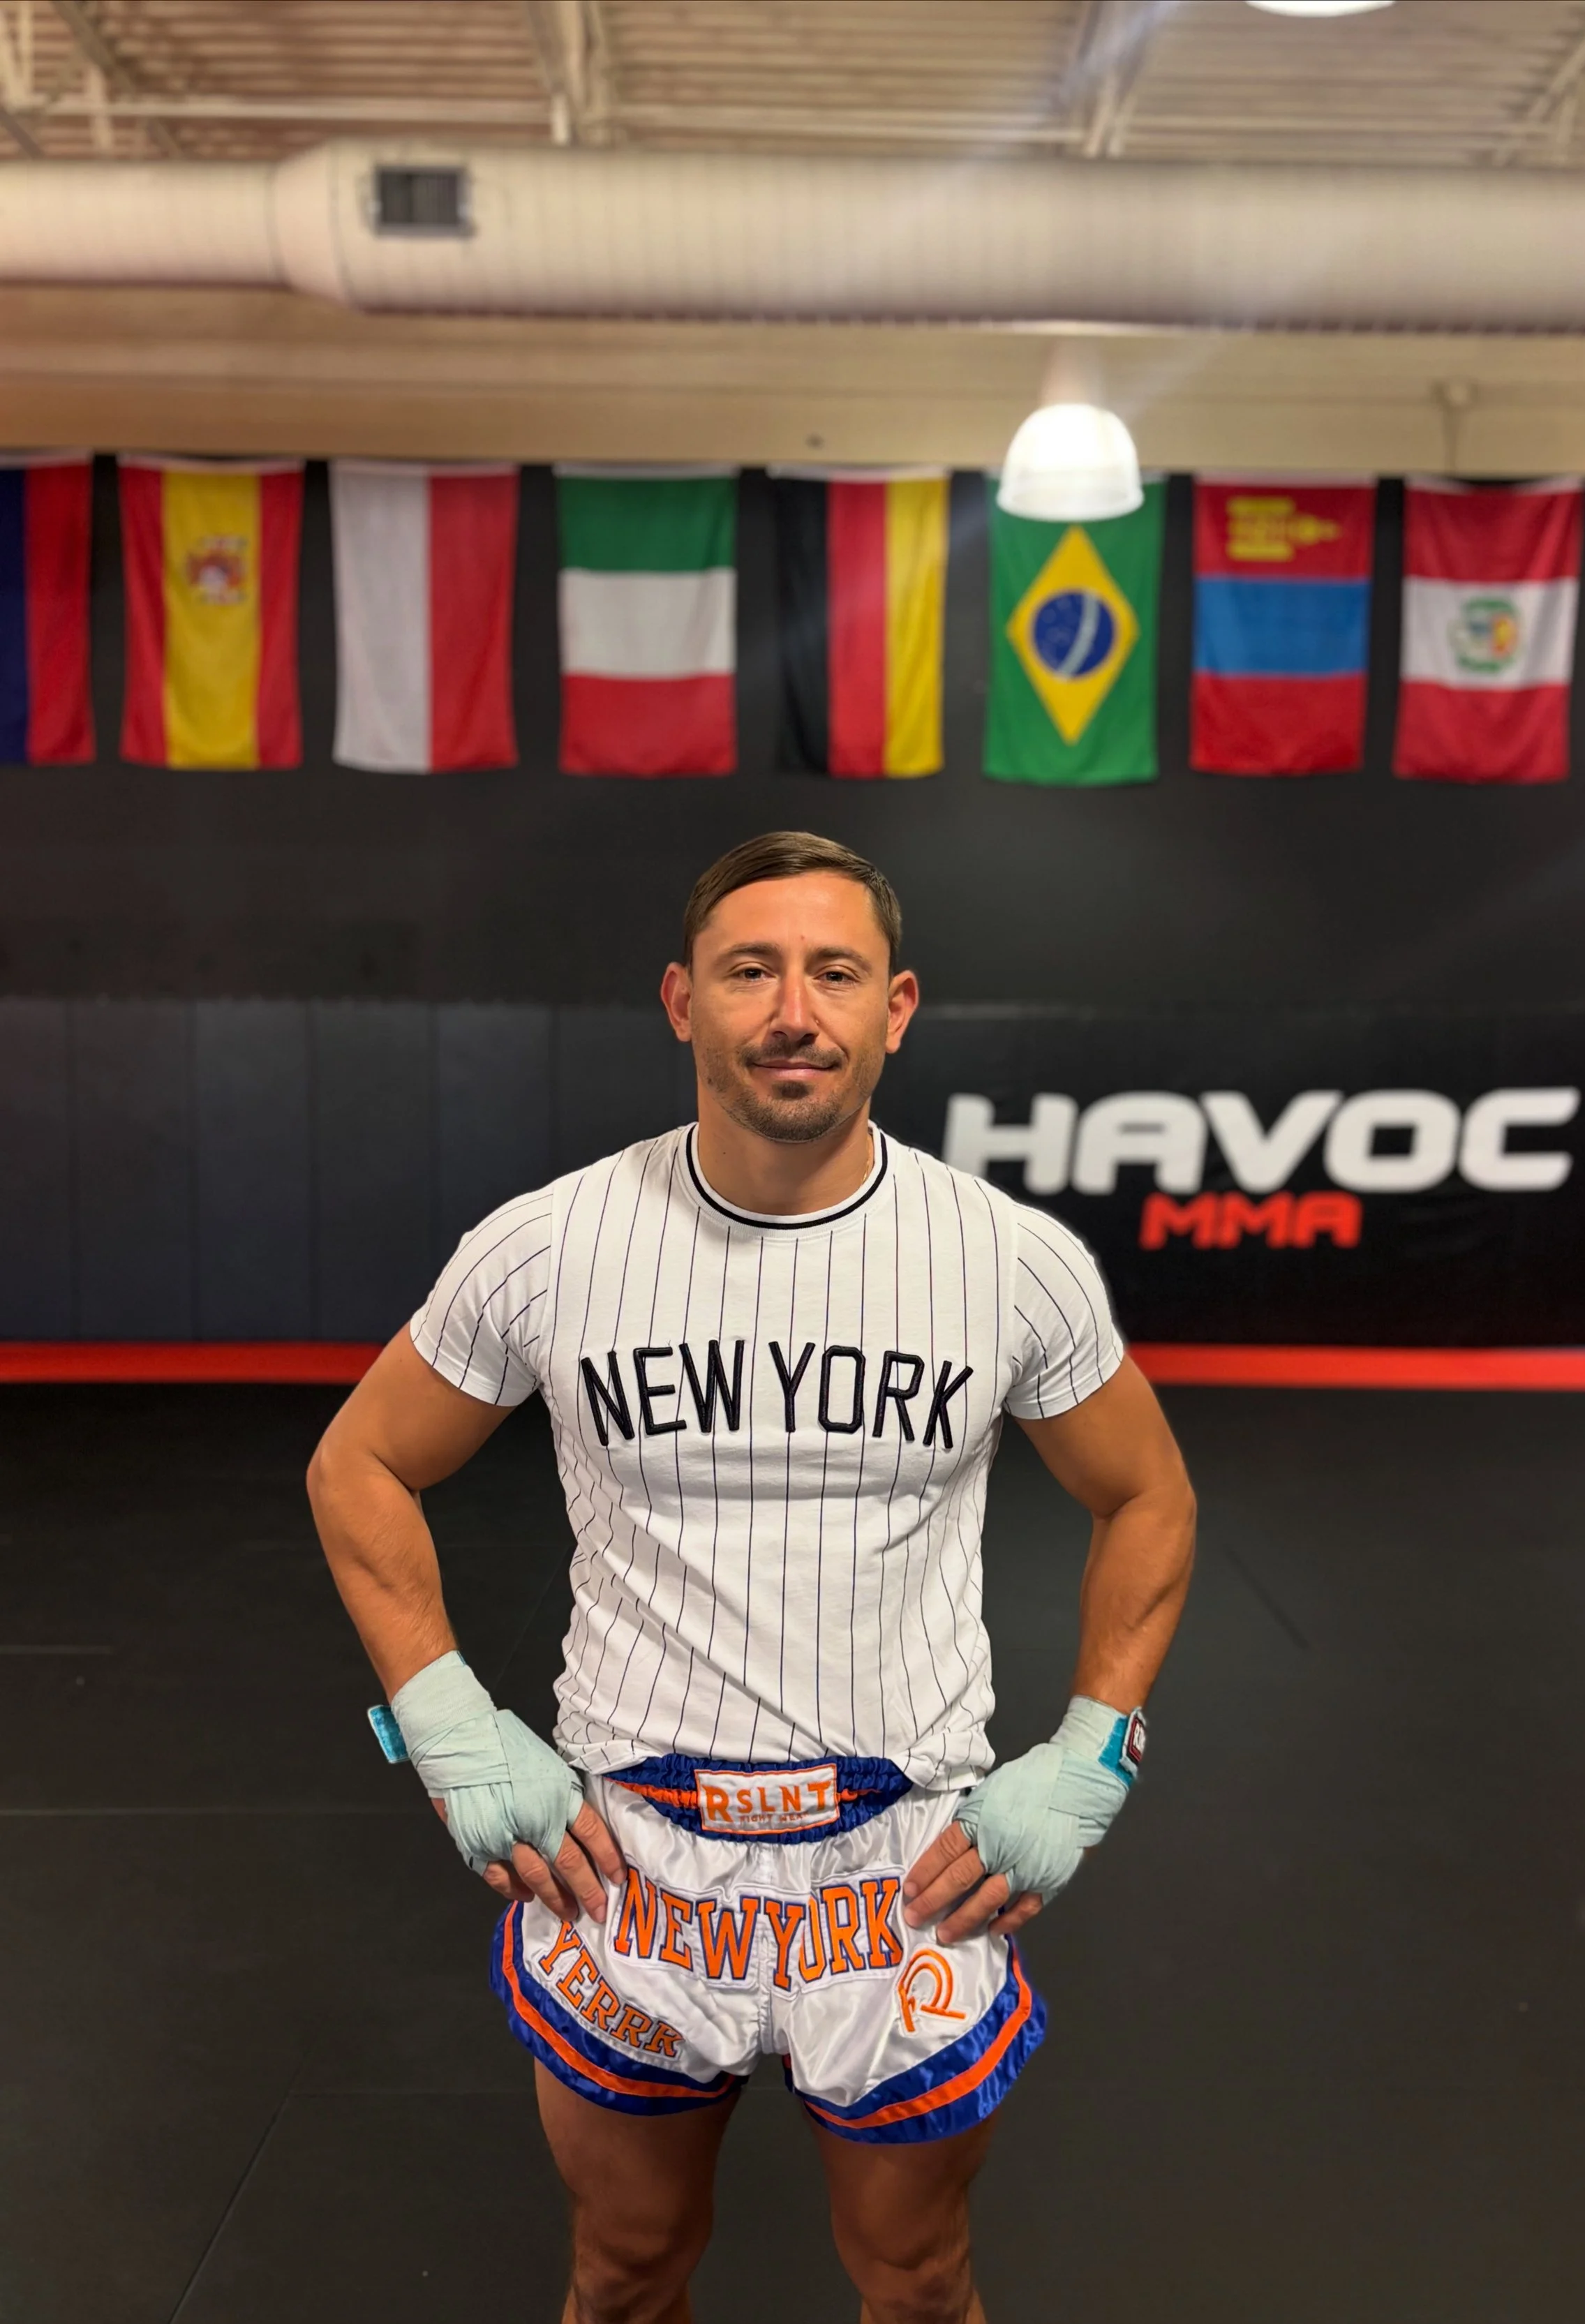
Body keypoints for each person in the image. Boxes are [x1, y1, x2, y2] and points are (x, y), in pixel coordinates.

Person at [307, 830, 1196, 2324]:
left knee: (918, 2280)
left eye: (834, 973)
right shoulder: (549, 1244)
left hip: (905, 1865)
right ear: (682, 1001)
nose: (793, 1011)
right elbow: (360, 1464)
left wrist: (1093, 1753)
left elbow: (1148, 1492)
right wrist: (447, 1723)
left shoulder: (1008, 1259)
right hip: (632, 1852)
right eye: (749, 972)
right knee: (623, 2269)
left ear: (894, 1008)